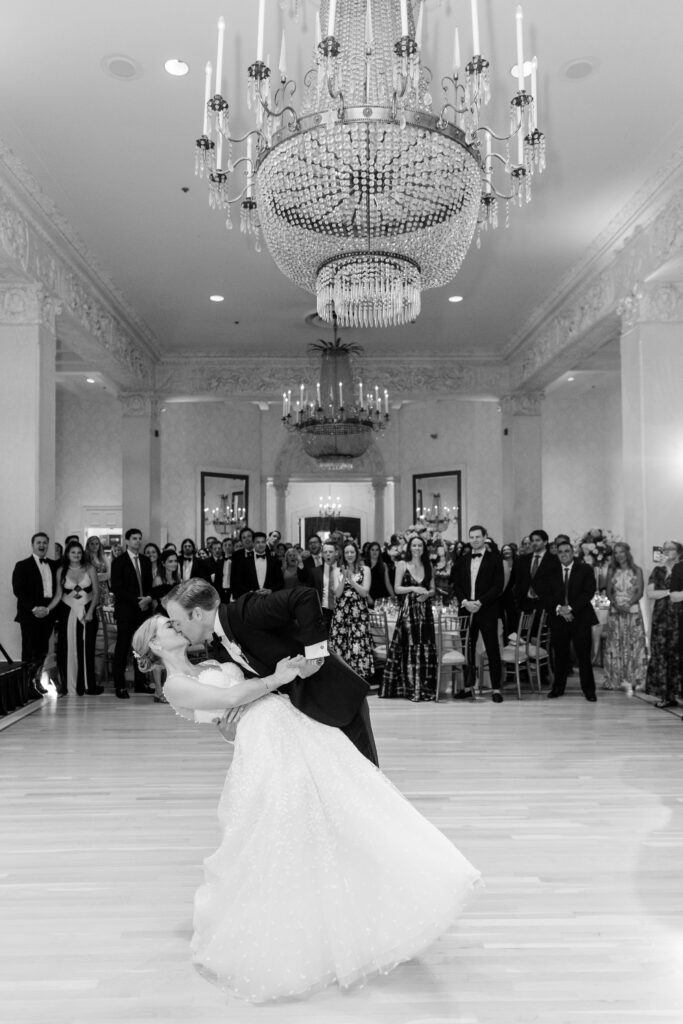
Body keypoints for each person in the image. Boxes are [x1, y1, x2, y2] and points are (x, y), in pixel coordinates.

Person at [131, 614, 480, 1004]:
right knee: (286, 829)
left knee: (347, 802)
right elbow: (229, 702)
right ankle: (301, 932)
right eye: (166, 626)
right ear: (156, 645)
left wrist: (263, 692)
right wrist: (276, 680)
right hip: (263, 742)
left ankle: (385, 896)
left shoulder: (209, 664)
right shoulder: (177, 686)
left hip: (290, 723)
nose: (176, 625)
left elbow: (230, 709)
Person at [165, 579, 378, 765]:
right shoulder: (219, 650)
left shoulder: (246, 611)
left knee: (367, 780)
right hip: (304, 721)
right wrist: (229, 732)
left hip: (336, 698)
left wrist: (315, 655)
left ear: (198, 614)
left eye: (176, 622)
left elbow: (304, 596)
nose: (177, 629)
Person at [450, 525, 505, 703]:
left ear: (485, 537)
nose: (474, 540)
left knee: (492, 648)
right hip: (466, 609)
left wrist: (480, 602)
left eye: (478, 537)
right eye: (471, 537)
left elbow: (498, 586)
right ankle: (468, 687)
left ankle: (496, 688)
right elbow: (456, 585)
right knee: (467, 649)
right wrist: (465, 602)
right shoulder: (462, 560)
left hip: (486, 609)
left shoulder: (495, 559)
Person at [379, 535, 437, 701]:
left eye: (420, 545)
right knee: (409, 645)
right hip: (409, 609)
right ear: (409, 548)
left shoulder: (429, 565)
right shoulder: (402, 564)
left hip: (425, 610)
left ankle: (425, 687)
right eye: (414, 545)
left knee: (425, 646)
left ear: (424, 548)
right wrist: (414, 588)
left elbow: (433, 588)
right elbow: (397, 589)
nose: (417, 548)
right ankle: (410, 688)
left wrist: (427, 594)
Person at [47, 540, 102, 695]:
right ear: (67, 554)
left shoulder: (89, 568)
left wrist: (91, 611)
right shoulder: (61, 571)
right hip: (68, 612)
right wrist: (47, 609)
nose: (76, 555)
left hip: (88, 612)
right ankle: (69, 685)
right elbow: (58, 594)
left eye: (79, 552)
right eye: (73, 552)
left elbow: (97, 592)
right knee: (67, 648)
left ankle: (88, 685)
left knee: (87, 648)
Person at [547, 540, 598, 701]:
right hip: (558, 619)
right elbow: (547, 594)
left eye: (566, 551)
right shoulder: (551, 570)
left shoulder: (585, 569)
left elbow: (588, 592)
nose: (563, 554)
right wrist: (560, 609)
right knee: (560, 656)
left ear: (572, 552)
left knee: (583, 656)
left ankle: (589, 690)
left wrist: (570, 609)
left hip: (581, 617)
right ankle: (558, 688)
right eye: (560, 551)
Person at [110, 528, 154, 699]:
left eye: (139, 538)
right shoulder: (119, 562)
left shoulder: (145, 560)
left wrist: (148, 598)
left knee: (141, 649)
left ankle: (140, 683)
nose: (138, 541)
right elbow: (117, 588)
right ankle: (119, 686)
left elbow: (149, 584)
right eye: (134, 538)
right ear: (127, 541)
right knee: (122, 649)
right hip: (126, 612)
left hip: (143, 612)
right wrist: (138, 601)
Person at [12, 532, 58, 692]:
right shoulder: (22, 565)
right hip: (29, 615)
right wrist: (34, 608)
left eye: (45, 542)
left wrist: (47, 609)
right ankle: (25, 687)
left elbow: (58, 590)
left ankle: (36, 681)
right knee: (29, 651)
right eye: (39, 542)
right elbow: (19, 590)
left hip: (47, 614)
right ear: (33, 545)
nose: (42, 545)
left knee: (42, 651)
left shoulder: (54, 565)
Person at [602, 541, 648, 695]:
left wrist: (628, 604)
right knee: (616, 644)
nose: (618, 555)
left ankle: (635, 679)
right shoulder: (611, 569)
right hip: (616, 611)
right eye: (616, 552)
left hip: (632, 611)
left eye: (621, 551)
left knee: (634, 644)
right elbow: (608, 591)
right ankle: (615, 678)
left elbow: (640, 591)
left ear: (627, 553)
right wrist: (616, 604)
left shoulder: (637, 570)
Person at [645, 541, 683, 707]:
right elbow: (650, 593)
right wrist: (669, 592)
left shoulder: (681, 569)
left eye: (670, 549)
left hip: (678, 616)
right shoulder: (658, 570)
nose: (667, 551)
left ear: (679, 552)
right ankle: (665, 695)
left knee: (676, 655)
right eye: (665, 548)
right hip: (661, 616)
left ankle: (676, 694)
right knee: (660, 653)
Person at [329, 540, 374, 679]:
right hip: (341, 613)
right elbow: (337, 593)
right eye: (347, 552)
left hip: (359, 613)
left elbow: (365, 593)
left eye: (352, 552)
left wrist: (351, 580)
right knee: (341, 642)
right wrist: (344, 578)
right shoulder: (336, 570)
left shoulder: (365, 569)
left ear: (357, 553)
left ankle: (359, 677)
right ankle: (341, 677)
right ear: (343, 554)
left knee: (358, 643)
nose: (349, 554)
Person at [513, 529, 559, 627]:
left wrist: (552, 603)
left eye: (537, 540)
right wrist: (518, 601)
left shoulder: (554, 560)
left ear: (545, 542)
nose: (534, 543)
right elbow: (519, 581)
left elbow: (557, 584)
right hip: (526, 604)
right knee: (525, 636)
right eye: (532, 541)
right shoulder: (523, 560)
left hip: (545, 604)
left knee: (542, 636)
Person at [230, 530, 284, 598]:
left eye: (263, 542)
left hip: (270, 600)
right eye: (258, 542)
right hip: (249, 600)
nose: (260, 545)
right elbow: (237, 582)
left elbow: (280, 583)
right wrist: (251, 593)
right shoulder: (244, 561)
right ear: (253, 543)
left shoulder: (274, 560)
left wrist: (271, 590)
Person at [303, 539, 338, 627]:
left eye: (330, 551)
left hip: (339, 610)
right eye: (325, 552)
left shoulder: (342, 570)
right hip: (322, 612)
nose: (328, 554)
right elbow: (310, 593)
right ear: (322, 554)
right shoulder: (315, 572)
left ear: (336, 553)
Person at [499, 542, 518, 643]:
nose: (506, 552)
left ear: (512, 551)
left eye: (508, 550)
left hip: (515, 594)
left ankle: (514, 638)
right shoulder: (500, 563)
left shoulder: (517, 562)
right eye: (504, 550)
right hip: (503, 594)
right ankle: (505, 639)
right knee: (503, 618)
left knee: (513, 617)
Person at [85, 535, 111, 606]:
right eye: (92, 544)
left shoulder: (103, 557)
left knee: (104, 612)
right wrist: (101, 576)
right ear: (88, 545)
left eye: (97, 544)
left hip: (104, 589)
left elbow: (109, 575)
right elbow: (86, 576)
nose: (95, 546)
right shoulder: (85, 558)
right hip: (91, 589)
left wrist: (97, 576)